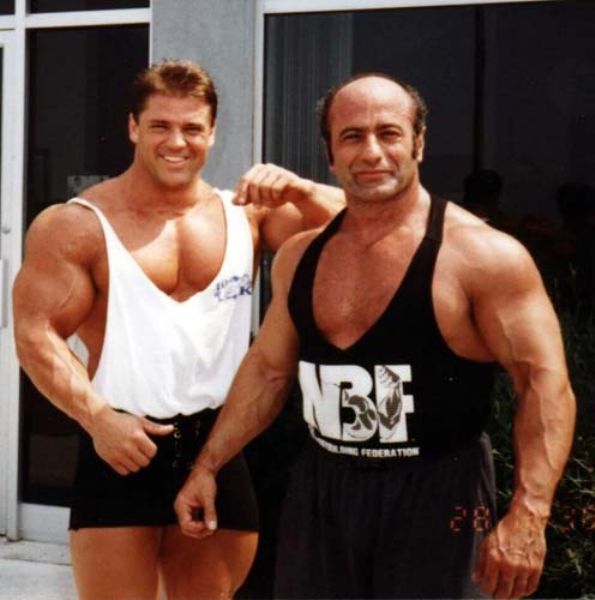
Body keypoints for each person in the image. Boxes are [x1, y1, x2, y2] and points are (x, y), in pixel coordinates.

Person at [174, 73, 576, 599]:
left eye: (389, 133)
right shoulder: (300, 256)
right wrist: (207, 466)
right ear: (330, 154)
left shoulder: (481, 256)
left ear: (419, 143)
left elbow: (543, 382)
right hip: (324, 492)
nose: (371, 152)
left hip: (443, 493)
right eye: (352, 136)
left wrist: (529, 514)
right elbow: (269, 371)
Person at [12, 59, 343, 600]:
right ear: (132, 128)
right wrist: (97, 419)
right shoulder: (76, 224)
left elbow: (362, 229)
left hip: (219, 444)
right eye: (160, 126)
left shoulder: (246, 217)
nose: (176, 142)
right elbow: (34, 334)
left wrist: (302, 189)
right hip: (122, 442)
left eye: (192, 128)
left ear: (212, 133)